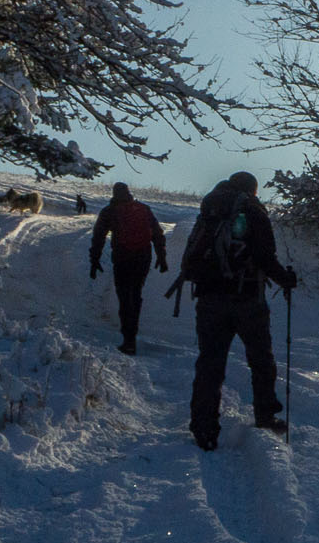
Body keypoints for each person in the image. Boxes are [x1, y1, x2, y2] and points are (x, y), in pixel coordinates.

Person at [180, 170, 297, 451]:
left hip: (209, 298)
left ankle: (204, 427)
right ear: (251, 190)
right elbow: (265, 257)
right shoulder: (252, 210)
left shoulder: (209, 210)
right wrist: (286, 279)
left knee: (210, 362)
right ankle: (265, 416)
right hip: (247, 299)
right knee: (261, 359)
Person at [89, 182, 167, 356]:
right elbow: (157, 234)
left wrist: (94, 260)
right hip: (143, 257)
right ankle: (132, 336)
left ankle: (128, 340)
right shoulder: (143, 209)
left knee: (125, 297)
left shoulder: (109, 211)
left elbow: (98, 237)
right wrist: (161, 257)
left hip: (122, 257)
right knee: (136, 294)